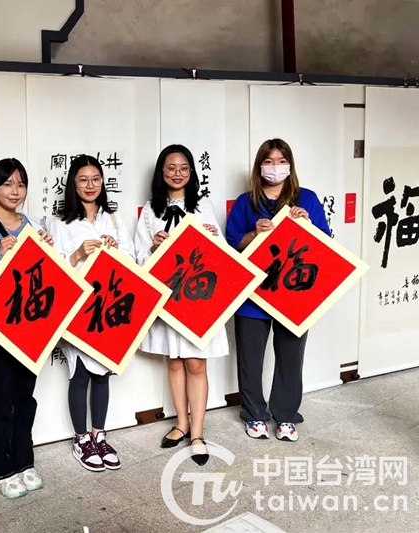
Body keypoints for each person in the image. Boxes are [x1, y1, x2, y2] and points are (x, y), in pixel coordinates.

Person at [226, 138, 330, 442]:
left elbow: (325, 244)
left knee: (290, 358)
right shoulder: (245, 202)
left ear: (290, 165)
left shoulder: (306, 198)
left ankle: (286, 415)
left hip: (294, 294)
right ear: (259, 166)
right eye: (269, 161)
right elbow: (231, 244)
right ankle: (253, 414)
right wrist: (253, 234)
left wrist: (307, 224)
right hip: (253, 295)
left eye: (282, 161)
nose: (275, 167)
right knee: (250, 360)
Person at [134, 145, 228, 465]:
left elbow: (222, 254)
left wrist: (213, 238)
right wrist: (153, 246)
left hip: (197, 299)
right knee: (173, 362)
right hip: (167, 297)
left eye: (184, 167)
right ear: (161, 172)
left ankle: (198, 432)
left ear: (191, 172)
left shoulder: (203, 206)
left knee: (196, 364)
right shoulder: (151, 211)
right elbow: (139, 257)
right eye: (171, 168)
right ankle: (181, 424)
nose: (177, 173)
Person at [0, 158, 53, 498]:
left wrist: (48, 254)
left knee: (23, 396)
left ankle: (24, 458)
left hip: (29, 326)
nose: (14, 191)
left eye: (20, 184)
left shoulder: (35, 226)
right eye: (7, 183)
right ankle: (0, 465)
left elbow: (47, 278)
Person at [48, 154, 134, 472]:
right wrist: (77, 254)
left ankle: (99, 434)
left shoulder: (113, 219)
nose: (90, 185)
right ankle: (81, 439)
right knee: (80, 373)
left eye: (95, 179)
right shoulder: (60, 223)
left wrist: (116, 249)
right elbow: (54, 270)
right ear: (73, 184)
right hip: (78, 309)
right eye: (83, 179)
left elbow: (132, 262)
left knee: (102, 373)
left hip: (109, 307)